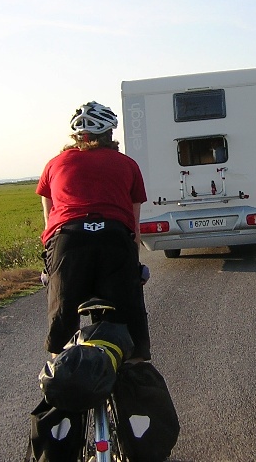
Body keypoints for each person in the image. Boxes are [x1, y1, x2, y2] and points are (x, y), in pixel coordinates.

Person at [36, 101, 151, 361]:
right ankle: (135, 365)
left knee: (61, 330)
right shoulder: (128, 165)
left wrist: (49, 270)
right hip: (115, 242)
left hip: (69, 243)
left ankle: (60, 376)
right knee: (131, 328)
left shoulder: (54, 165)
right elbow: (134, 227)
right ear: (110, 135)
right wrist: (135, 269)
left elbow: (49, 225)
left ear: (76, 137)